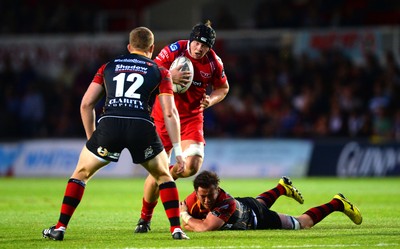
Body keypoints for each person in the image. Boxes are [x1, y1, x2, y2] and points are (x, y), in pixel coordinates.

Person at [42, 27, 189, 241]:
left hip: (110, 125)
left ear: (129, 47)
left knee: (81, 174)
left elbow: (86, 104)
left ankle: (60, 228)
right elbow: (169, 112)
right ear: (151, 48)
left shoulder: (108, 67)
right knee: (164, 176)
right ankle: (176, 230)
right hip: (141, 126)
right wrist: (178, 152)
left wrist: (93, 138)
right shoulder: (160, 71)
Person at [134, 20, 229, 233]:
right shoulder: (174, 50)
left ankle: (163, 175)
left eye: (204, 46)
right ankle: (144, 219)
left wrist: (210, 101)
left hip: (191, 119)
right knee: (160, 171)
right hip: (162, 117)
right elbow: (151, 71)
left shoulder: (214, 62)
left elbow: (223, 88)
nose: (199, 48)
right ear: (191, 40)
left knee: (192, 166)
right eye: (196, 43)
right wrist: (170, 75)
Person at [179, 170, 362, 231]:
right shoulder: (193, 199)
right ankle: (282, 188)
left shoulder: (225, 202)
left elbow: (205, 228)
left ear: (217, 190)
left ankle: (337, 203)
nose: (206, 200)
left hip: (256, 217)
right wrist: (191, 221)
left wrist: (185, 216)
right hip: (247, 205)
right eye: (202, 196)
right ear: (196, 192)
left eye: (210, 195)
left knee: (301, 223)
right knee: (259, 202)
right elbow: (192, 225)